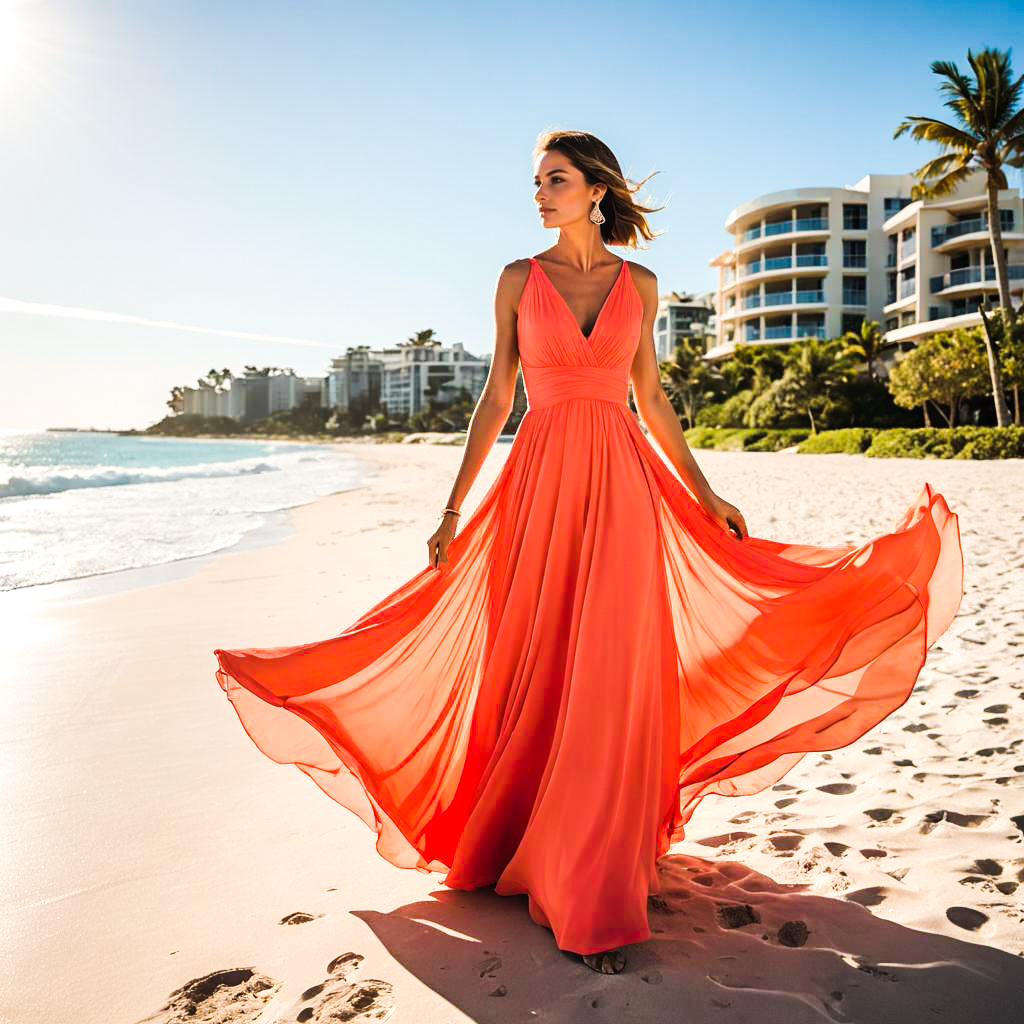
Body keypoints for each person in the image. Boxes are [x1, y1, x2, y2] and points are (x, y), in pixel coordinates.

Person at [214, 130, 964, 976]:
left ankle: (591, 880)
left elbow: (651, 398)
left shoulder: (639, 285)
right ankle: (524, 843)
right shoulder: (514, 279)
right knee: (534, 668)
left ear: (595, 190)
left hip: (622, 489)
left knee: (608, 675)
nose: (539, 194)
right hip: (535, 489)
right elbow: (498, 396)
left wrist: (707, 491)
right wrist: (454, 504)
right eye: (536, 182)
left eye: (555, 180)